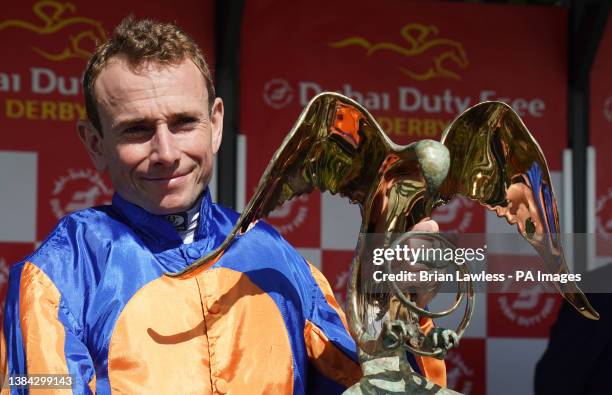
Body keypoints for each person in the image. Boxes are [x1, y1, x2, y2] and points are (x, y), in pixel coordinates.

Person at [0, 17, 445, 394]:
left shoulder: (279, 259)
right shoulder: (57, 276)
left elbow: (370, 385)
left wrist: (403, 311)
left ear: (215, 124)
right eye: (137, 130)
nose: (166, 151)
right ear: (96, 144)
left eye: (183, 123)